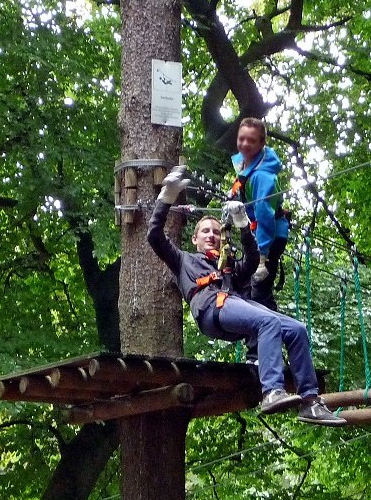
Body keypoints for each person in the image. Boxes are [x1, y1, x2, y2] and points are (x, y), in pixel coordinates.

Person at [147, 166, 344, 427]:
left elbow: (252, 262)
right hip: (212, 309)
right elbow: (154, 236)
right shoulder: (183, 260)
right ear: (195, 239)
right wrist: (166, 197)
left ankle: (311, 401)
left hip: (236, 306)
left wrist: (243, 226)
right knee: (268, 322)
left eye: (216, 232)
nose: (212, 236)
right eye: (205, 231)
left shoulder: (228, 265)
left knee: (296, 329)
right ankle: (272, 391)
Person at [227, 117, 290, 311]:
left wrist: (261, 256)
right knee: (248, 289)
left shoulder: (263, 176)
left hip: (268, 237)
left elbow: (264, 215)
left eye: (251, 140)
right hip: (257, 236)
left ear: (262, 143)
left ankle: (271, 333)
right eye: (241, 139)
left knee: (258, 293)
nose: (244, 144)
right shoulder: (247, 164)